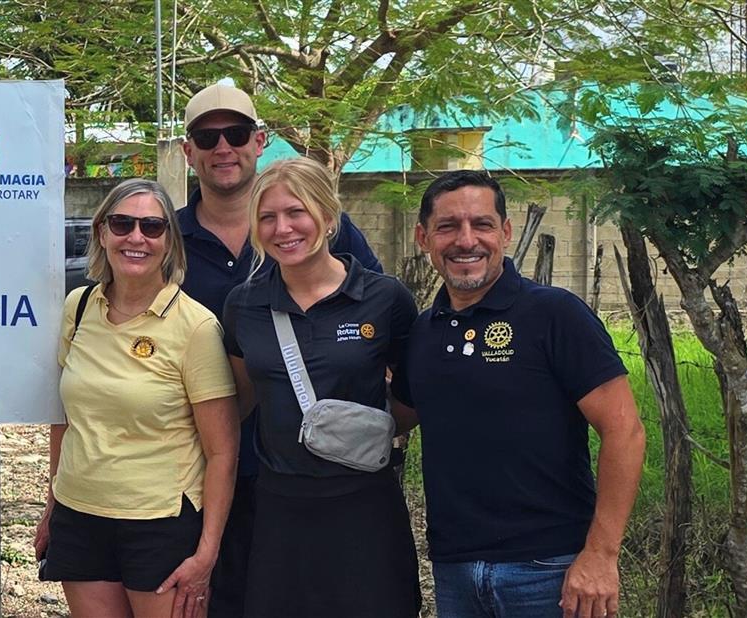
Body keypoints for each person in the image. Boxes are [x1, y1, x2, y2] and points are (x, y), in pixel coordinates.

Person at [172, 82, 385, 616]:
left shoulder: (322, 232)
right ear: (188, 150)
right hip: (196, 472)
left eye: (236, 133)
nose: (223, 147)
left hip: (311, 474)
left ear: (259, 140)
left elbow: (380, 325)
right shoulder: (163, 240)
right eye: (208, 137)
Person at [396, 171, 644, 618]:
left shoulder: (554, 315)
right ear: (423, 238)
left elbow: (624, 431)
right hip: (454, 569)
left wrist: (601, 554)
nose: (466, 240)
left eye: (482, 224)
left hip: (551, 569)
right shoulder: (423, 332)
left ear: (506, 232)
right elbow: (398, 415)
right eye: (448, 226)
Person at [219, 157, 419, 616]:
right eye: (267, 217)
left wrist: (358, 433)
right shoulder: (244, 305)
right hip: (279, 506)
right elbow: (240, 400)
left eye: (297, 212)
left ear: (328, 216)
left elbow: (411, 401)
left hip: (364, 504)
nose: (282, 229)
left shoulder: (384, 299)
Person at [36, 178, 239, 618]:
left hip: (160, 523)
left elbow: (223, 452)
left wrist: (207, 552)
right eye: (122, 223)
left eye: (151, 226)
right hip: (79, 514)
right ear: (102, 231)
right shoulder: (78, 307)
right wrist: (53, 503)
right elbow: (64, 419)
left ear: (169, 241)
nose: (136, 237)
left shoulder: (196, 327)